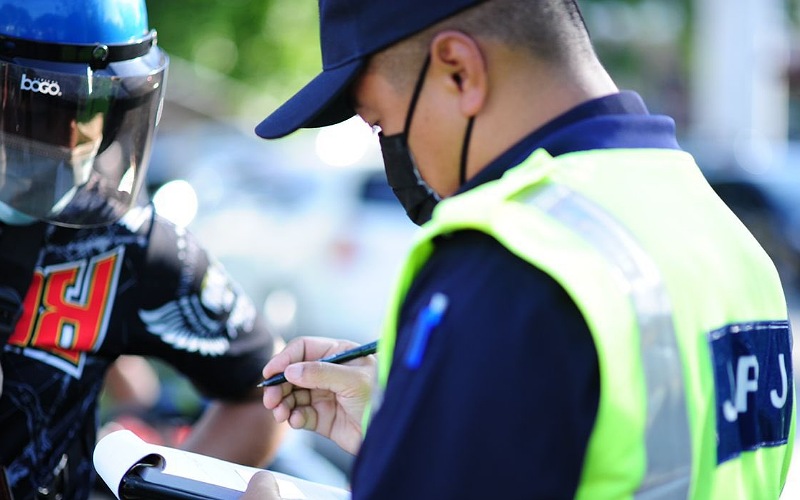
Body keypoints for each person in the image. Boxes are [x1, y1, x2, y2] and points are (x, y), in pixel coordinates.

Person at [245, 0, 797, 498]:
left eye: (380, 125)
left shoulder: (511, 260)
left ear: (459, 71)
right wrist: (412, 428)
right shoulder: (731, 241)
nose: (393, 155)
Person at [0, 1, 286, 498]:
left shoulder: (127, 242)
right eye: (36, 112)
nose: (66, 139)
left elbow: (265, 391)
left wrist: (160, 490)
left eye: (88, 110)